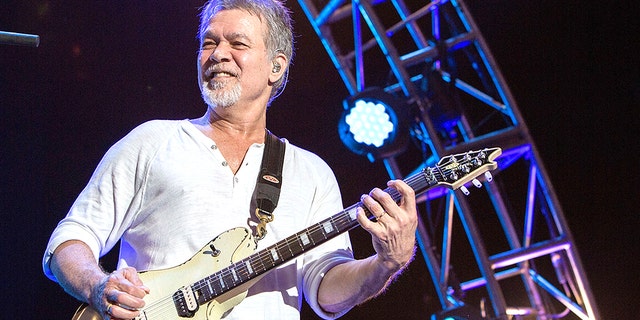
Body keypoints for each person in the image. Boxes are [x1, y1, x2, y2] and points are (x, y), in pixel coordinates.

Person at [42, 0, 418, 319]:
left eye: (237, 43)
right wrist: (96, 285)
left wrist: (386, 264)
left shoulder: (312, 173)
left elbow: (324, 289)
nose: (218, 54)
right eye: (209, 43)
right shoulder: (153, 141)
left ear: (277, 66)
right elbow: (71, 239)